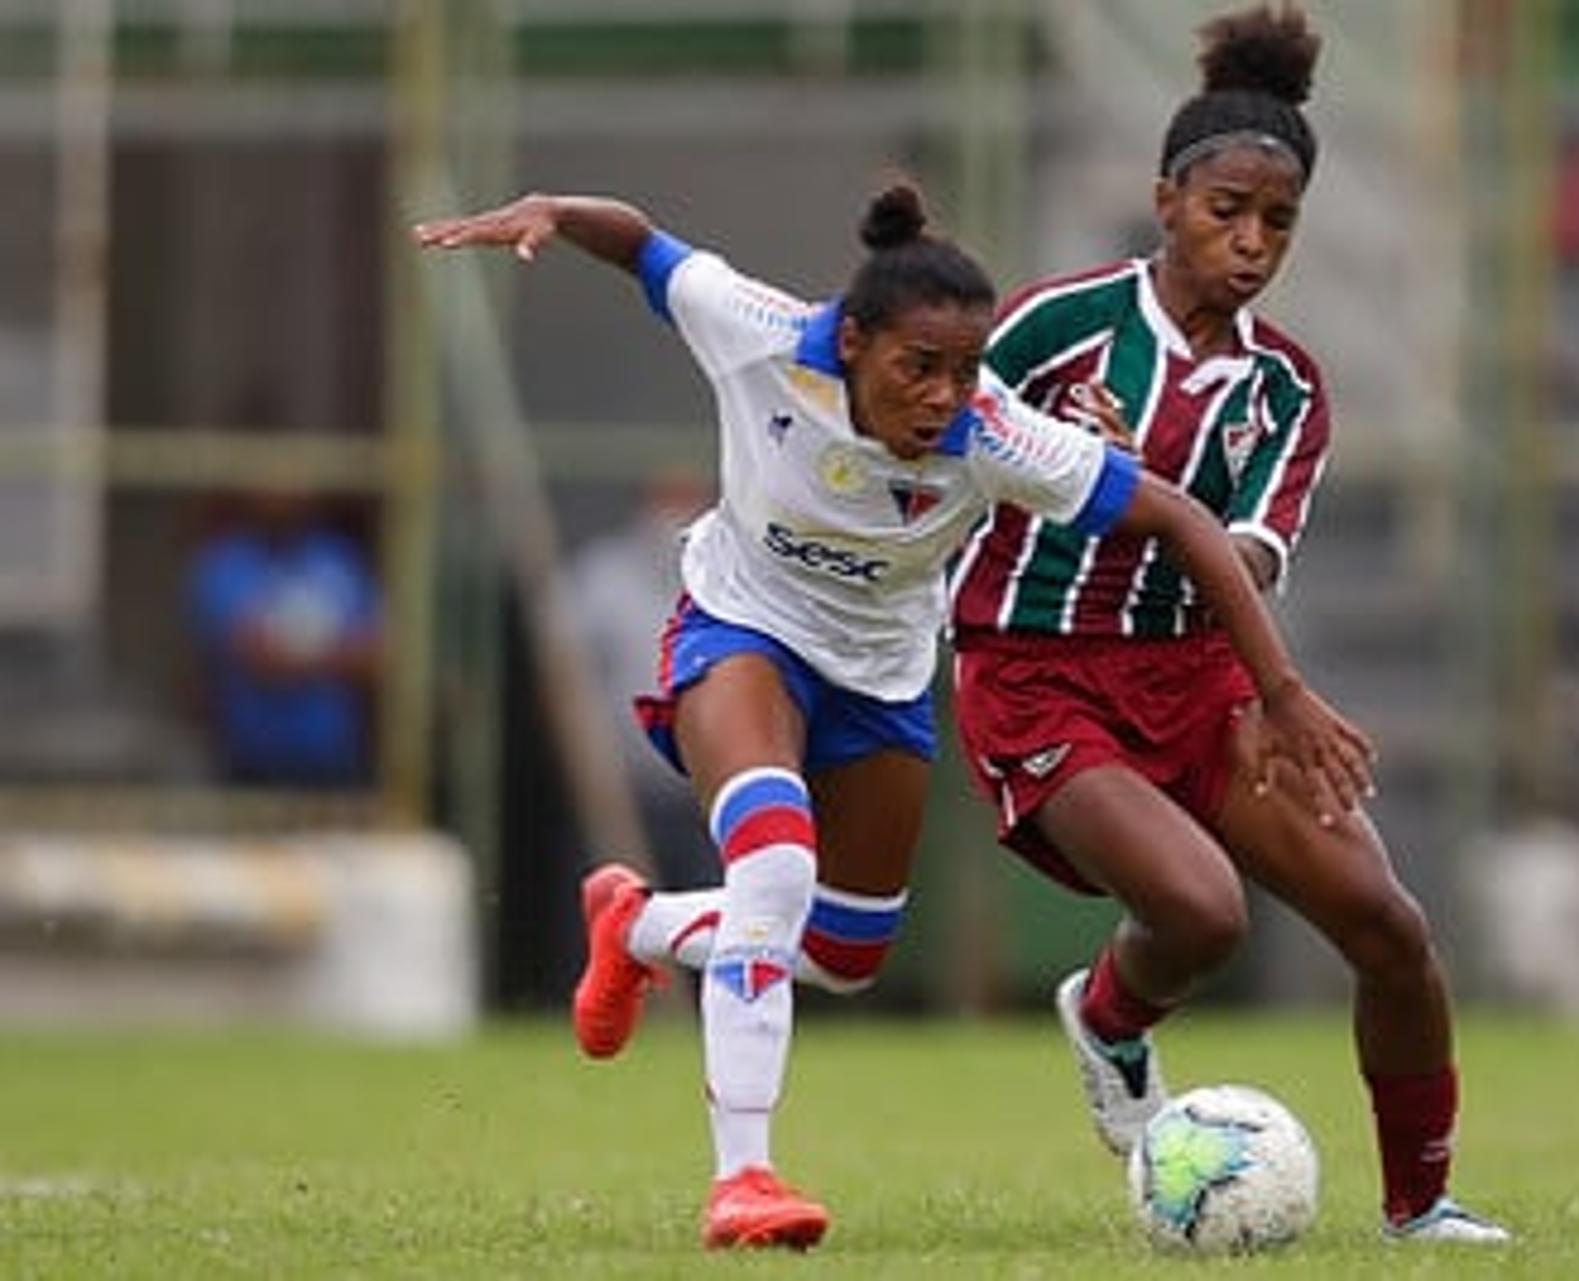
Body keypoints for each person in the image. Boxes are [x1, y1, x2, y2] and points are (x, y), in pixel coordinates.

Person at [414, 178, 1370, 1251]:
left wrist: (1279, 690)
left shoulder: (997, 433)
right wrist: (550, 210)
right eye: (920, 369)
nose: (943, 400)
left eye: (966, 373)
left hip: (881, 681)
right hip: (744, 638)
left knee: (843, 951)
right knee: (771, 871)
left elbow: (1188, 523)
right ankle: (746, 1182)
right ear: (852, 342)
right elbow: (640, 242)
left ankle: (636, 922)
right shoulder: (759, 332)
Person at [947, 4, 1511, 1244]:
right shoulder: (1057, 324)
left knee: (1392, 929)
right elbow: (935, 434)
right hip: (1038, 674)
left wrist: (1264, 691)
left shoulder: (1285, 388)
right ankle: (1107, 1015)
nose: (1252, 242)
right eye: (1227, 213)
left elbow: (1248, 551)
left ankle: (1421, 1209)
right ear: (1165, 199)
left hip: (1206, 682)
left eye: (1280, 223)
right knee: (1203, 915)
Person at [562, 471, 720, 892]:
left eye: (689, 496)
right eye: (667, 497)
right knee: (613, 911)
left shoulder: (730, 580)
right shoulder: (602, 574)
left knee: (711, 915)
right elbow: (565, 678)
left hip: (711, 793)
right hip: (623, 789)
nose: (677, 513)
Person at [185, 489, 382, 786]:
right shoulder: (226, 563)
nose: (284, 494)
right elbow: (259, 658)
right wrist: (335, 652)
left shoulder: (339, 561)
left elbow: (374, 656)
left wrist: (295, 654)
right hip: (250, 765)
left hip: (334, 766)